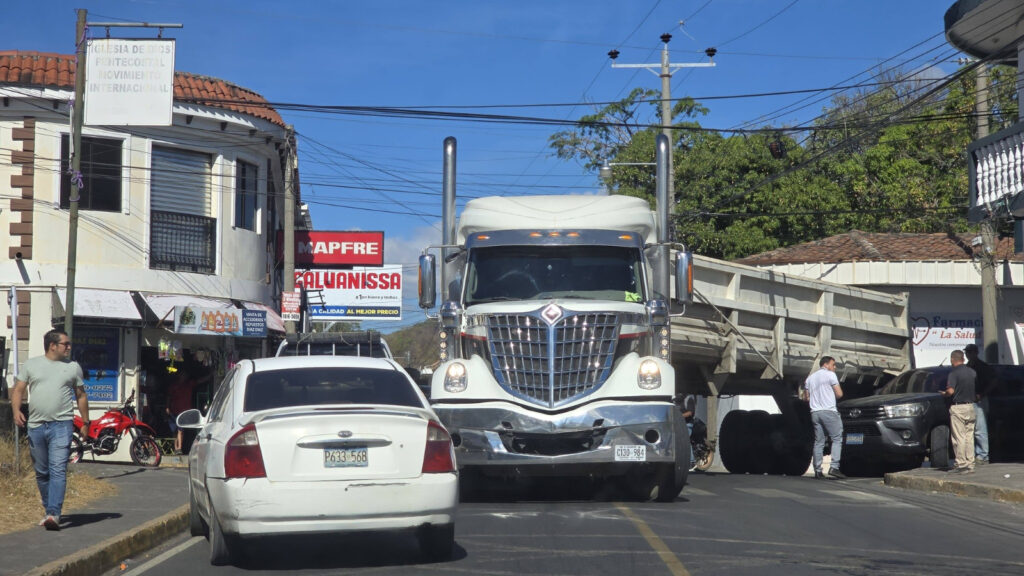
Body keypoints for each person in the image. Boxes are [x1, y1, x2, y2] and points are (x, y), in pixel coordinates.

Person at [9, 329, 89, 531]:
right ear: (52, 345)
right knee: (42, 472)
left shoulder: (73, 367)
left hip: (61, 425)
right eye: (66, 344)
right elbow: (18, 390)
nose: (69, 347)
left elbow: (81, 396)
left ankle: (54, 513)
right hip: (36, 425)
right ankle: (48, 510)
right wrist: (16, 410)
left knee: (58, 469)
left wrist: (86, 422)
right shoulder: (31, 365)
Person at [803, 356, 846, 479]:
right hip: (829, 411)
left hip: (815, 413)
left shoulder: (810, 378)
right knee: (837, 438)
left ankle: (817, 470)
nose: (835, 367)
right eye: (833, 364)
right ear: (826, 364)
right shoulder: (830, 375)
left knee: (819, 441)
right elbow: (839, 394)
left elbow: (806, 398)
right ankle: (834, 467)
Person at [940, 349, 976, 473]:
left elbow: (951, 391)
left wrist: (944, 394)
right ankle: (970, 463)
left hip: (958, 407)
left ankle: (961, 463)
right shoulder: (972, 372)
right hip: (971, 406)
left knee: (958, 437)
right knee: (969, 436)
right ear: (963, 359)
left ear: (952, 360)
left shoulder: (953, 374)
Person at [963, 344, 994, 465]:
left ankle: (983, 455)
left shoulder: (983, 367)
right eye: (967, 352)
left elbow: (993, 382)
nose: (968, 354)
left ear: (976, 353)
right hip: (968, 400)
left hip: (979, 400)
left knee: (980, 429)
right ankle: (974, 454)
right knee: (970, 429)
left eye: (970, 352)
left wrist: (982, 394)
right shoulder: (966, 367)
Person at [166, 371, 198, 454]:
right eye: (182, 374)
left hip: (183, 412)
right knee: (174, 431)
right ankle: (176, 448)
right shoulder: (174, 386)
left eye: (185, 375)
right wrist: (167, 407)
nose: (184, 376)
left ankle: (179, 448)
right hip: (173, 411)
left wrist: (210, 375)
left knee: (180, 430)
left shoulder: (189, 384)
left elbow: (199, 381)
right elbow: (169, 397)